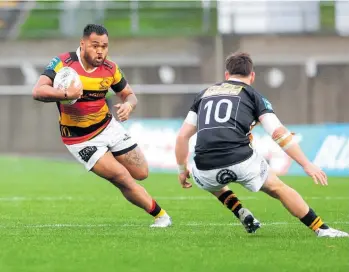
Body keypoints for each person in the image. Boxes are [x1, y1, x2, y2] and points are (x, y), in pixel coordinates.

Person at [175, 52, 348, 237]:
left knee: (214, 183)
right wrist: (307, 164)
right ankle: (321, 229)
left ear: (226, 75)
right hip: (241, 162)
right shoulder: (252, 95)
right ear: (252, 75)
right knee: (278, 188)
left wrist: (181, 169)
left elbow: (182, 137)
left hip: (204, 168)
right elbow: (278, 134)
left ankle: (239, 211)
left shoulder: (203, 94)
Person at [32, 24, 171, 228]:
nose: (100, 51)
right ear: (83, 43)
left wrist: (128, 105)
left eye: (104, 46)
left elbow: (129, 95)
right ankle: (162, 216)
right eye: (95, 45)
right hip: (80, 138)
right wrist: (65, 94)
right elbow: (38, 91)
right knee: (122, 177)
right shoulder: (63, 63)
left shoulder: (110, 68)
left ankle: (111, 161)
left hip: (108, 127)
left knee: (141, 172)